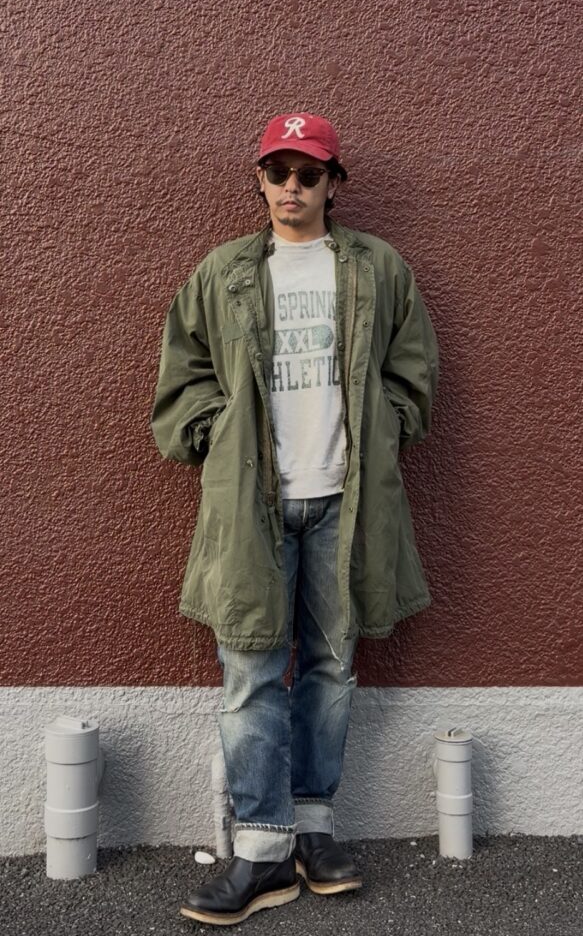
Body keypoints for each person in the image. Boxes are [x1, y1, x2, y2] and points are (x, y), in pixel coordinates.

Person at [150, 112, 439, 926]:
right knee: (248, 672)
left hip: (346, 503)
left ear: (332, 183)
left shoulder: (378, 269)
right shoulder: (224, 273)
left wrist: (386, 427)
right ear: (260, 181)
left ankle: (312, 828)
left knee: (330, 668)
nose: (291, 187)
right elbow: (182, 376)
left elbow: (412, 372)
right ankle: (261, 849)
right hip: (253, 504)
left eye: (308, 173)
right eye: (277, 172)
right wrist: (218, 435)